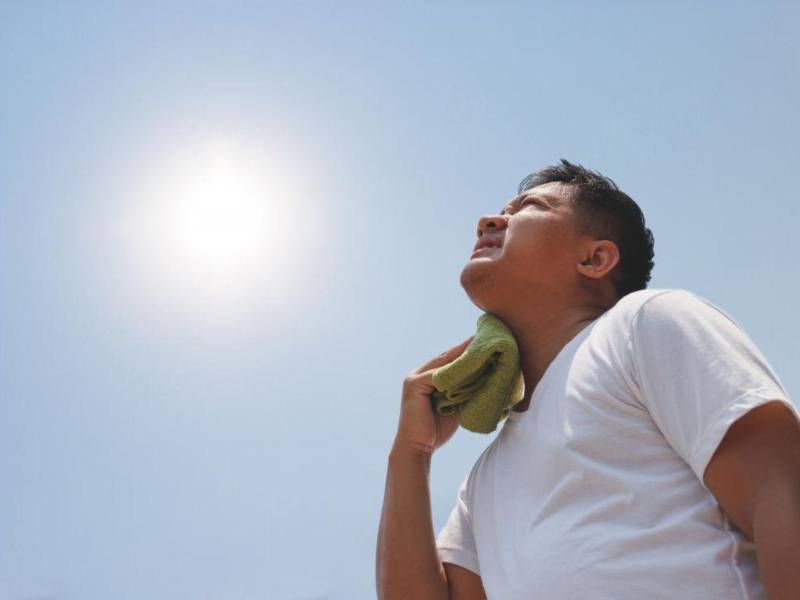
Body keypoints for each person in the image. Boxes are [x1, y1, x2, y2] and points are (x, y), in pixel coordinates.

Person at [375, 159, 800, 600]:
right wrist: (410, 452)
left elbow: (779, 486)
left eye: (529, 207)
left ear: (594, 259)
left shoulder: (644, 323)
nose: (489, 221)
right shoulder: (483, 481)